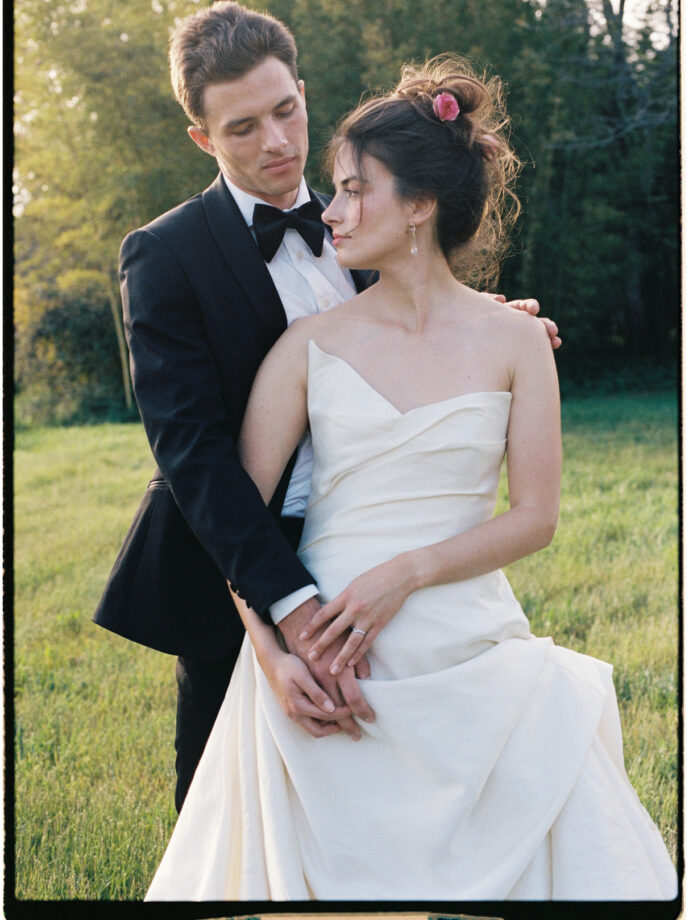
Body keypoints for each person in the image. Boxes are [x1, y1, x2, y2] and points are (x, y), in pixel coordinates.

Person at [145, 56, 677, 902]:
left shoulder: (513, 341)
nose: (331, 210)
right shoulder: (305, 346)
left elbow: (536, 516)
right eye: (336, 189)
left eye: (355, 190)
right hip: (321, 638)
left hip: (465, 626)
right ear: (205, 135)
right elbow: (229, 503)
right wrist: (274, 652)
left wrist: (410, 570)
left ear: (420, 205)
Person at [93, 0, 560, 813]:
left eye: (286, 110)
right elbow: (194, 457)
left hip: (385, 540)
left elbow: (410, 324)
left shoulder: (360, 217)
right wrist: (281, 630)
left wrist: (497, 327)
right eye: (242, 129)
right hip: (241, 557)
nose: (276, 142)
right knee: (230, 818)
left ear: (303, 91)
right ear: (203, 138)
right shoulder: (165, 255)